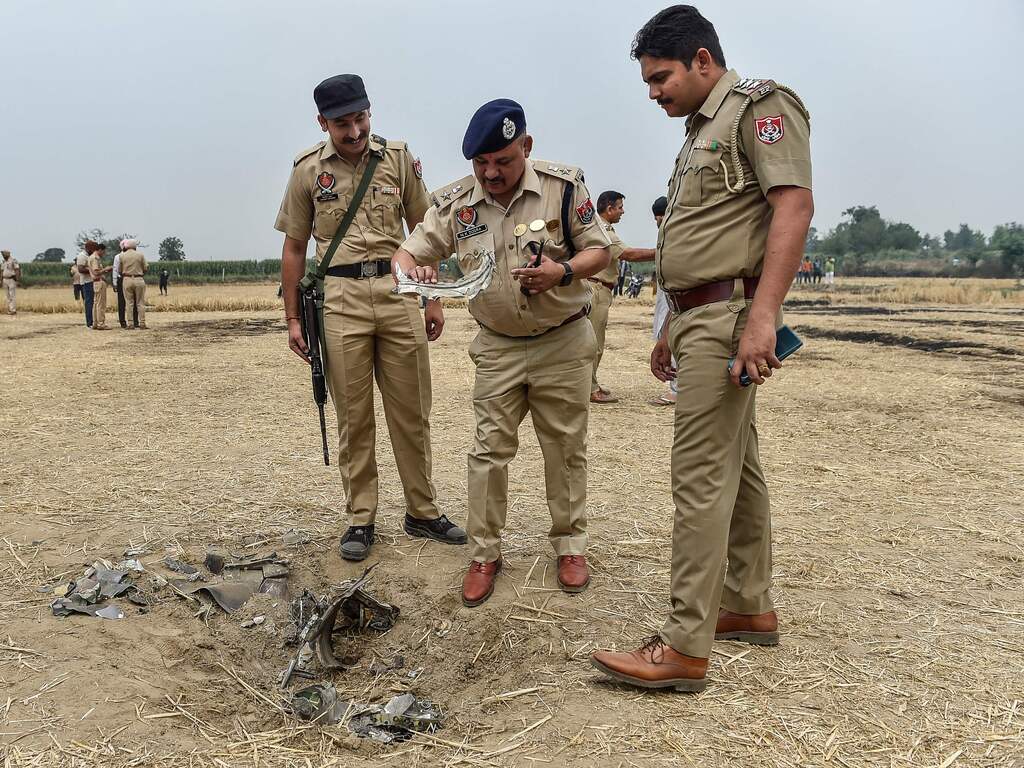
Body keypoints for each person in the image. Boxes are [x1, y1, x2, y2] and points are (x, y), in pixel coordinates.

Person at [591, 5, 813, 692]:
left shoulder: (759, 108)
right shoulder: (699, 132)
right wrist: (668, 327)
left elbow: (794, 206)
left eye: (661, 78)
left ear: (703, 61)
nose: (653, 92)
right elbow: (702, 236)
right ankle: (746, 605)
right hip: (700, 317)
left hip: (731, 317)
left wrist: (762, 317)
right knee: (738, 469)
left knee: (698, 478)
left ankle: (685, 643)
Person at [393, 98, 611, 606]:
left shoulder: (562, 187)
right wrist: (418, 274)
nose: (491, 173)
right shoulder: (456, 204)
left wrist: (564, 272)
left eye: (503, 161)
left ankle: (570, 546)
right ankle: (484, 554)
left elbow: (600, 249)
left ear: (526, 147)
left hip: (562, 339)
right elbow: (405, 255)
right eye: (481, 163)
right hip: (497, 347)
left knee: (565, 449)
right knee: (488, 453)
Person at [276, 73, 464, 562]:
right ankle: (361, 517)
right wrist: (293, 317)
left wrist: (434, 297)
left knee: (412, 410)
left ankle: (422, 511)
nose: (355, 131)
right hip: (338, 297)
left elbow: (426, 230)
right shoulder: (305, 171)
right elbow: (295, 246)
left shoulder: (397, 158)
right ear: (323, 123)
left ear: (369, 111)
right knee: (353, 417)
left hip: (400, 290)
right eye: (342, 124)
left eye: (361, 119)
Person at [589, 191, 656, 405]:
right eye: (619, 207)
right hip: (596, 290)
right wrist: (663, 251)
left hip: (599, 289)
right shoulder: (602, 229)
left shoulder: (599, 227)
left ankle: (590, 384)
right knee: (594, 343)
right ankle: (589, 389)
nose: (622, 211)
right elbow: (629, 254)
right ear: (609, 209)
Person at [647, 196, 678, 406]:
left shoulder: (675, 235)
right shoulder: (666, 235)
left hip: (675, 296)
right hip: (666, 296)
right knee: (664, 335)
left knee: (674, 338)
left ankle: (678, 390)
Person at [119, 239, 148, 329]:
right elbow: (145, 268)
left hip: (127, 279)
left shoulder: (122, 256)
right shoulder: (140, 255)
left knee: (129, 303)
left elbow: (120, 270)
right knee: (140, 302)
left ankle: (130, 323)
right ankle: (142, 323)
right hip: (139, 278)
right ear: (135, 246)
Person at [88, 243, 113, 330]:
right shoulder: (95, 258)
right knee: (100, 304)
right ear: (100, 250)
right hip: (99, 282)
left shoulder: (91, 257)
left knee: (96, 304)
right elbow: (96, 272)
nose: (104, 253)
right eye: (103, 251)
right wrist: (106, 269)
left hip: (95, 282)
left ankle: (95, 323)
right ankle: (101, 323)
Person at [76, 242, 97, 328]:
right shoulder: (82, 256)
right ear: (89, 248)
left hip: (92, 281)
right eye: (93, 249)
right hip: (86, 282)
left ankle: (93, 320)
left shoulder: (89, 256)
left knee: (93, 302)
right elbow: (80, 269)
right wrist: (92, 270)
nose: (94, 251)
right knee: (89, 303)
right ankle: (89, 322)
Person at [113, 244, 127, 328]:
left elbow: (115, 270)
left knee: (122, 301)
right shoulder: (118, 257)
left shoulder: (117, 257)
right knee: (126, 301)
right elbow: (115, 270)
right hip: (123, 278)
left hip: (121, 279)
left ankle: (123, 322)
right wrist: (115, 283)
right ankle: (133, 321)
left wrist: (114, 283)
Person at [2, 251, 20, 315]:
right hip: (5, 279)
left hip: (11, 279)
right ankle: (10, 309)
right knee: (7, 296)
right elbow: (1, 271)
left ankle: (13, 310)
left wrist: (17, 280)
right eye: (2, 254)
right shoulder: (4, 262)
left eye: (4, 254)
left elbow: (17, 270)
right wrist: (1, 280)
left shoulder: (13, 261)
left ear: (8, 254)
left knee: (12, 295)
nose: (3, 255)